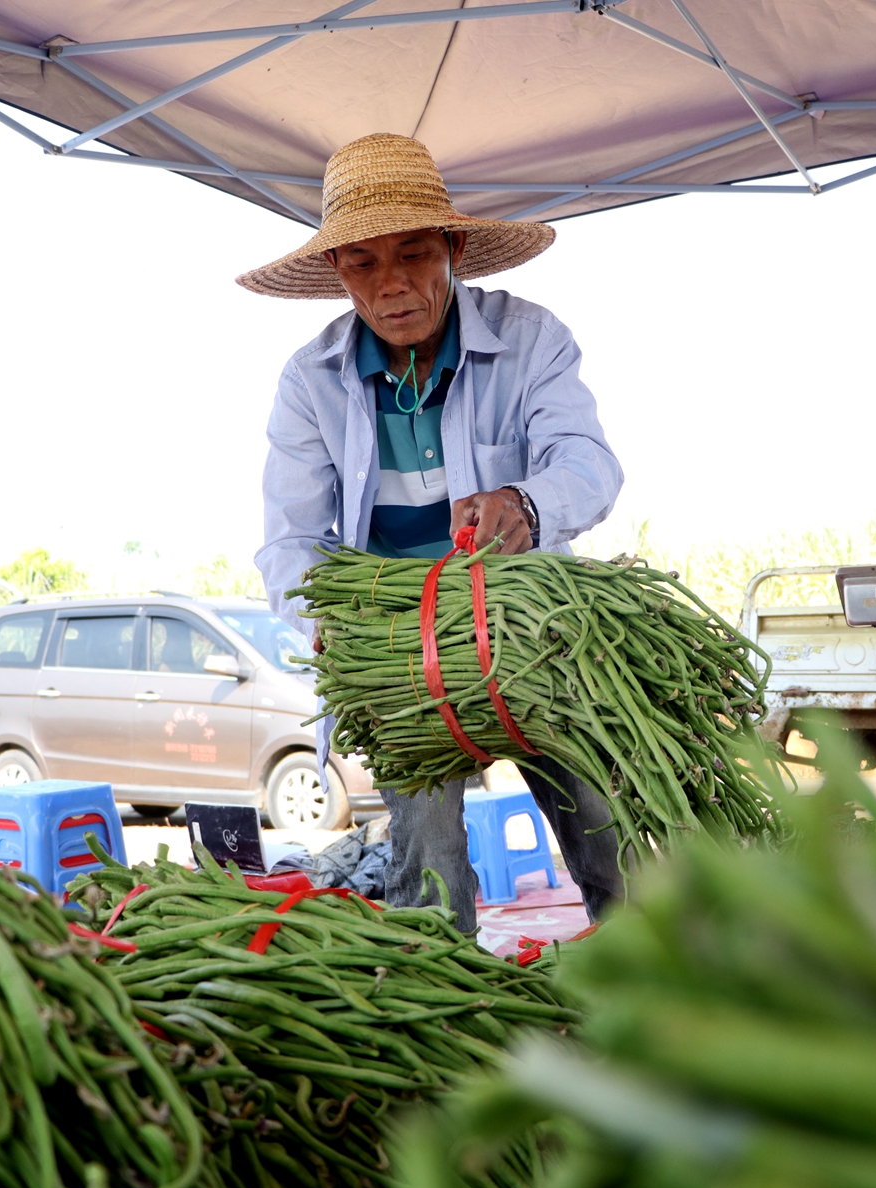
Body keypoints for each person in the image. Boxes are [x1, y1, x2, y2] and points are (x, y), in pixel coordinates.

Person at [245, 133, 625, 933]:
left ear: (454, 248)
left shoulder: (529, 341)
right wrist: (331, 627)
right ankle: (455, 1022)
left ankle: (656, 981)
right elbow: (290, 541)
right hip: (400, 655)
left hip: (527, 636)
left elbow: (588, 462)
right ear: (337, 272)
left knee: (607, 830)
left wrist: (524, 504)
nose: (392, 285)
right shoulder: (310, 382)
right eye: (363, 264)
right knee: (429, 880)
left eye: (414, 253)